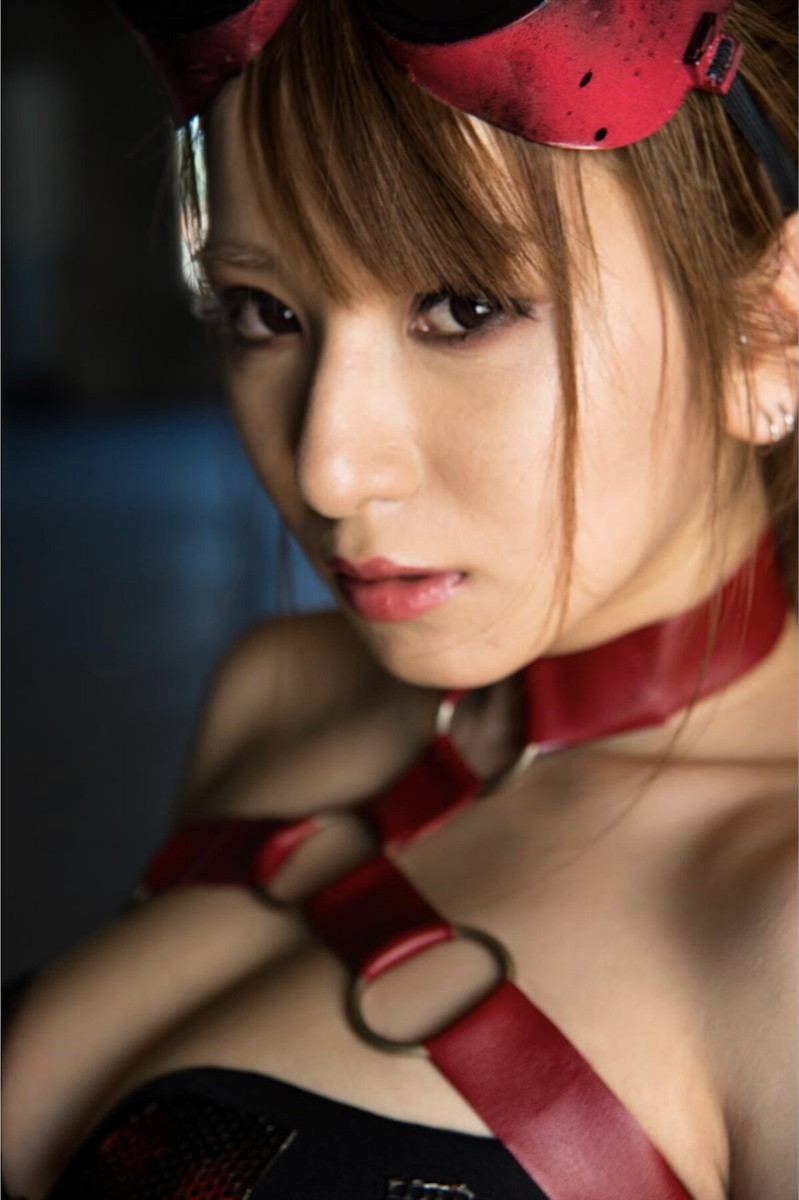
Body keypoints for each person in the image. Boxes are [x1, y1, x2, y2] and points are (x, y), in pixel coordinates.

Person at [3, 2, 797, 1197]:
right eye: (265, 313)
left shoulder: (778, 917)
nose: (327, 467)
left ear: (766, 332)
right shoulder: (283, 694)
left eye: (465, 307)